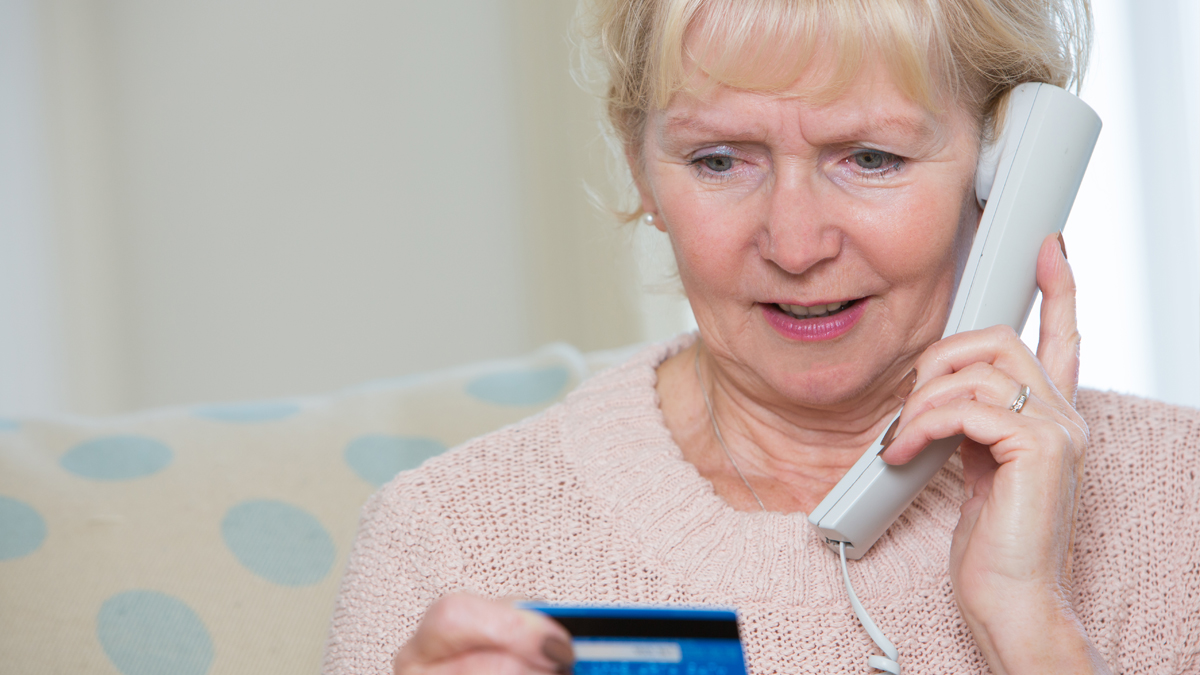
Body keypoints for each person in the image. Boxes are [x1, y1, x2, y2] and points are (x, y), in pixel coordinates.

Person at [323, 0, 1200, 672]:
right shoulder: (448, 543)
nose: (794, 243)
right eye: (719, 160)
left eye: (869, 158)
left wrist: (1031, 628)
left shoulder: (1179, 503)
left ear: (1007, 171)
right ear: (641, 171)